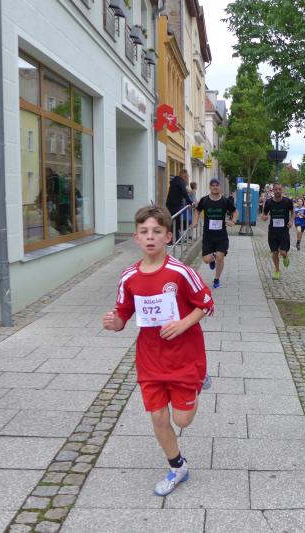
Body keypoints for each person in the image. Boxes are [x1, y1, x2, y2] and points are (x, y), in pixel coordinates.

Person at [102, 205, 214, 497]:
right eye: (144, 232)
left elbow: (206, 303)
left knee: (182, 420)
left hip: (184, 357)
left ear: (167, 236)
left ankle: (198, 381)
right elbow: (123, 314)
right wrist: (114, 323)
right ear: (136, 238)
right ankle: (178, 467)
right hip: (150, 360)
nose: (150, 236)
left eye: (156, 231)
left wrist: (183, 324)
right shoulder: (129, 277)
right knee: (159, 417)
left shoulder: (180, 272)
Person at [196, 178, 238, 289]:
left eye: (217, 185)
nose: (215, 187)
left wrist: (233, 221)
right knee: (206, 260)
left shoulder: (225, 201)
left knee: (220, 256)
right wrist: (195, 222)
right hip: (208, 235)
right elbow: (197, 210)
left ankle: (216, 279)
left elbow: (235, 212)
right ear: (210, 187)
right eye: (212, 185)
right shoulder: (204, 200)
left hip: (221, 235)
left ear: (219, 187)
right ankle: (212, 258)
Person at [261, 183, 294, 280]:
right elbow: (265, 213)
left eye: (279, 189)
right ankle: (277, 270)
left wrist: (291, 221)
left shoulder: (287, 201)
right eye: (276, 189)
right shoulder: (269, 202)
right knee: (274, 252)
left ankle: (285, 256)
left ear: (282, 190)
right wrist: (264, 217)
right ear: (273, 190)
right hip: (273, 231)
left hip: (284, 231)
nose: (278, 191)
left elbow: (293, 212)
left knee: (282, 252)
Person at [165, 170, 195, 243]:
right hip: (175, 205)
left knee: (176, 222)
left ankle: (177, 239)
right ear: (183, 175)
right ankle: (171, 241)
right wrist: (191, 202)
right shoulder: (180, 182)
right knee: (175, 222)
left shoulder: (175, 181)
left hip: (171, 205)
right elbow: (185, 193)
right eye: (187, 176)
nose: (187, 178)